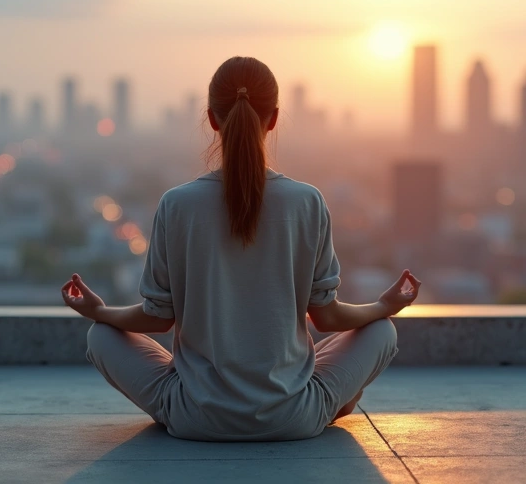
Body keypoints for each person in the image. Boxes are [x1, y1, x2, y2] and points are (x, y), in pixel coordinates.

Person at [61, 56, 421, 441]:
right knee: (382, 332)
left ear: (213, 119)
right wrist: (384, 307)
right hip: (293, 417)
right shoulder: (307, 202)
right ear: (275, 118)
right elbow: (327, 318)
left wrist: (98, 311)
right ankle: (330, 404)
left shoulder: (177, 204)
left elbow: (158, 318)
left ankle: (208, 402)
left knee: (99, 335)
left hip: (194, 418)